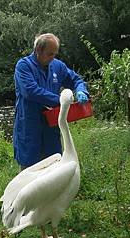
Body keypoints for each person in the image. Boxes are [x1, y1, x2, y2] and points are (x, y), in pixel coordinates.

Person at [13, 33, 89, 170]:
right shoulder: (23, 66)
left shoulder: (57, 66)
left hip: (51, 126)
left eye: (55, 54)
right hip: (30, 126)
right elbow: (31, 91)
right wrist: (62, 101)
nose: (53, 57)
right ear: (38, 51)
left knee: (54, 166)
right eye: (50, 54)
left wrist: (80, 90)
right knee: (28, 170)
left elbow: (75, 80)